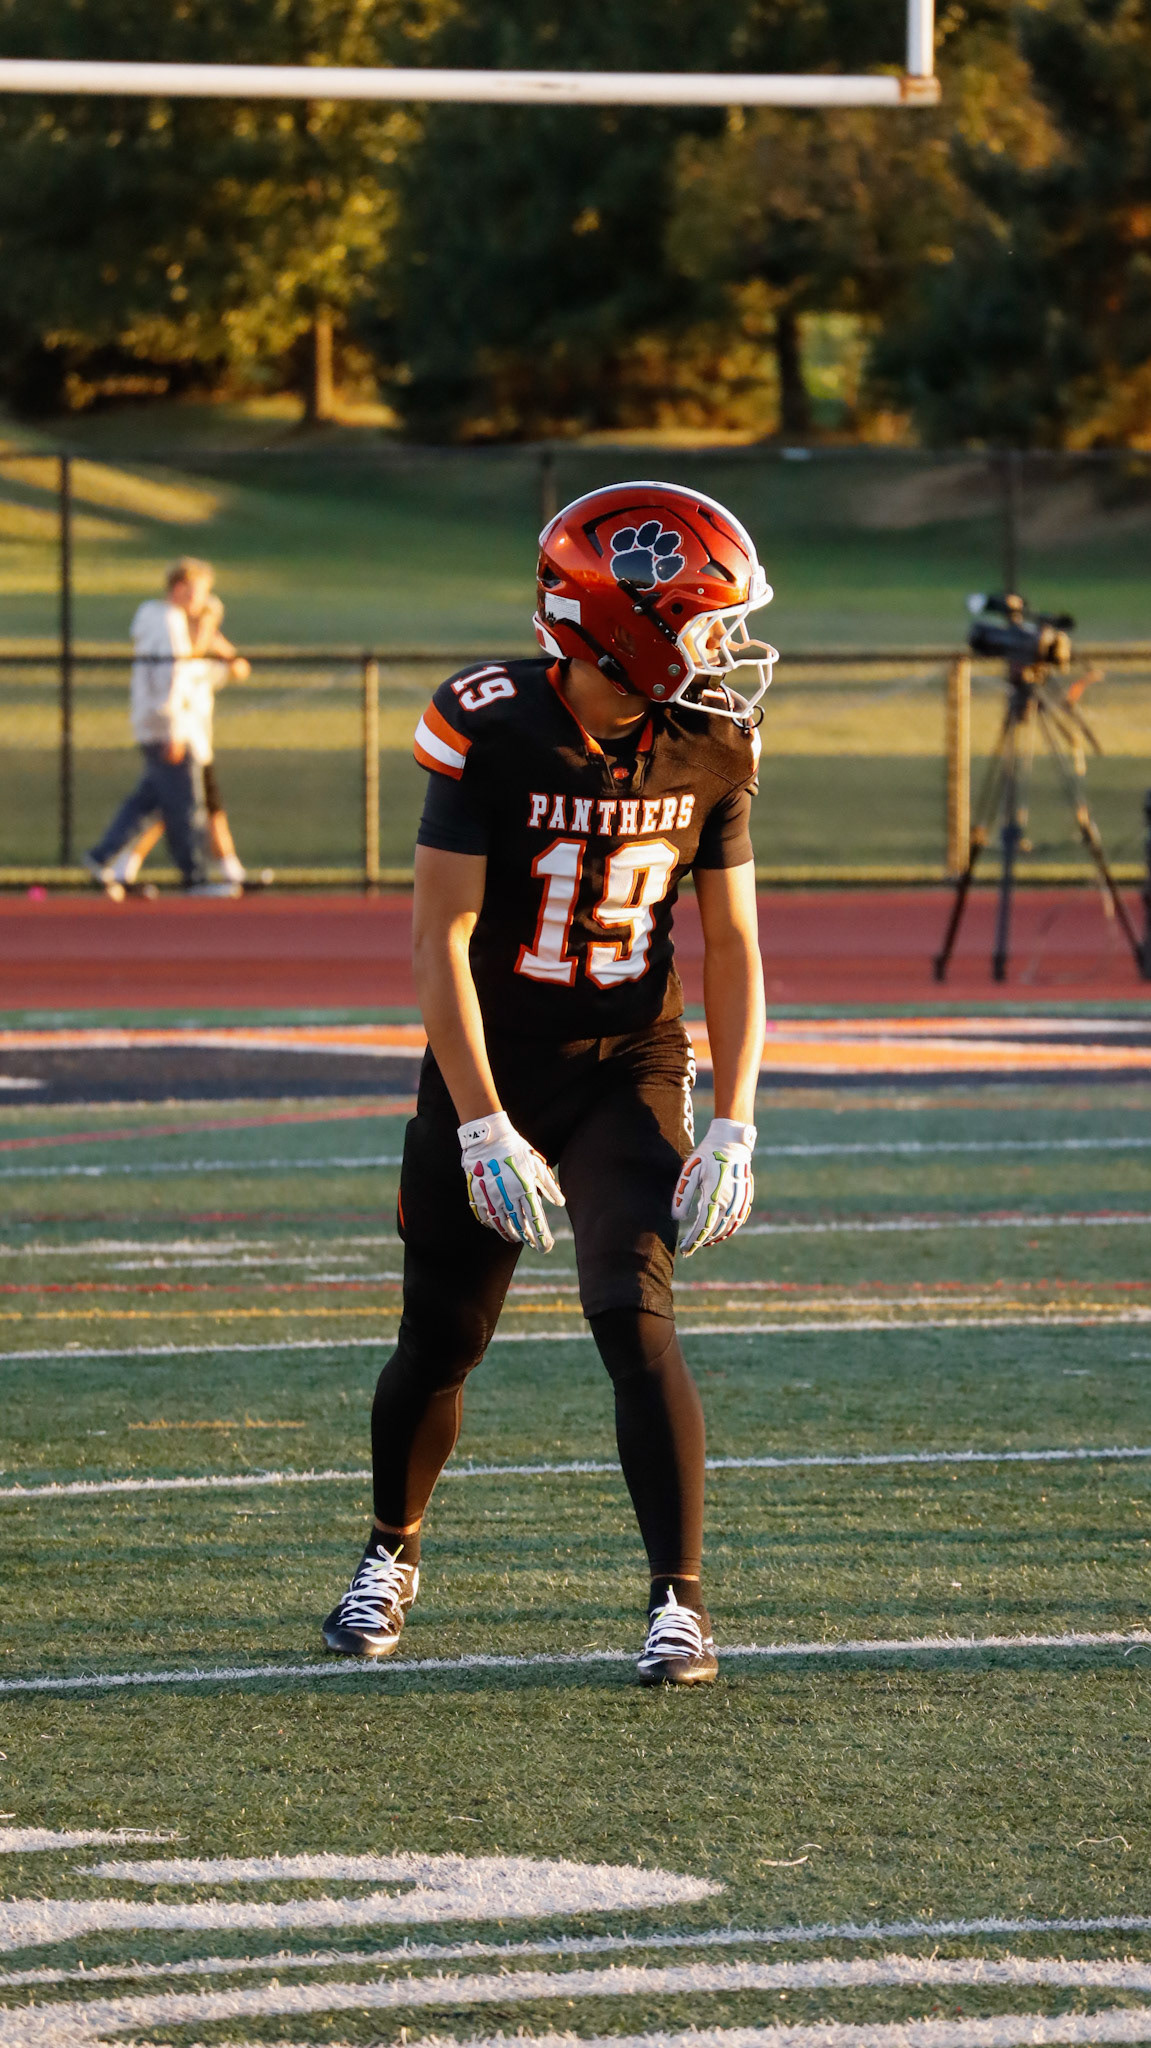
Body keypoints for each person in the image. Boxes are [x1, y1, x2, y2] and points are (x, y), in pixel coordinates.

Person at [322, 482, 774, 1686]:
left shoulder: (711, 739)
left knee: (633, 1312)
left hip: (629, 1059)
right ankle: (390, 1548)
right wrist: (479, 1120)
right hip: (495, 1054)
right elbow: (439, 936)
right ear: (624, 626)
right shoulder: (493, 725)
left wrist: (735, 1117)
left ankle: (678, 1601)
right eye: (706, 620)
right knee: (441, 1336)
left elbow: (731, 941)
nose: (725, 647)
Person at [83, 559, 250, 898]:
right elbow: (170, 678)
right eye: (198, 591)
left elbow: (198, 674)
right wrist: (174, 730)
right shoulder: (166, 621)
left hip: (163, 725)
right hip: (168, 727)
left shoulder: (169, 622)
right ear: (179, 588)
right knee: (186, 806)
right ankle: (195, 878)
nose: (202, 600)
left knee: (147, 803)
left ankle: (102, 858)